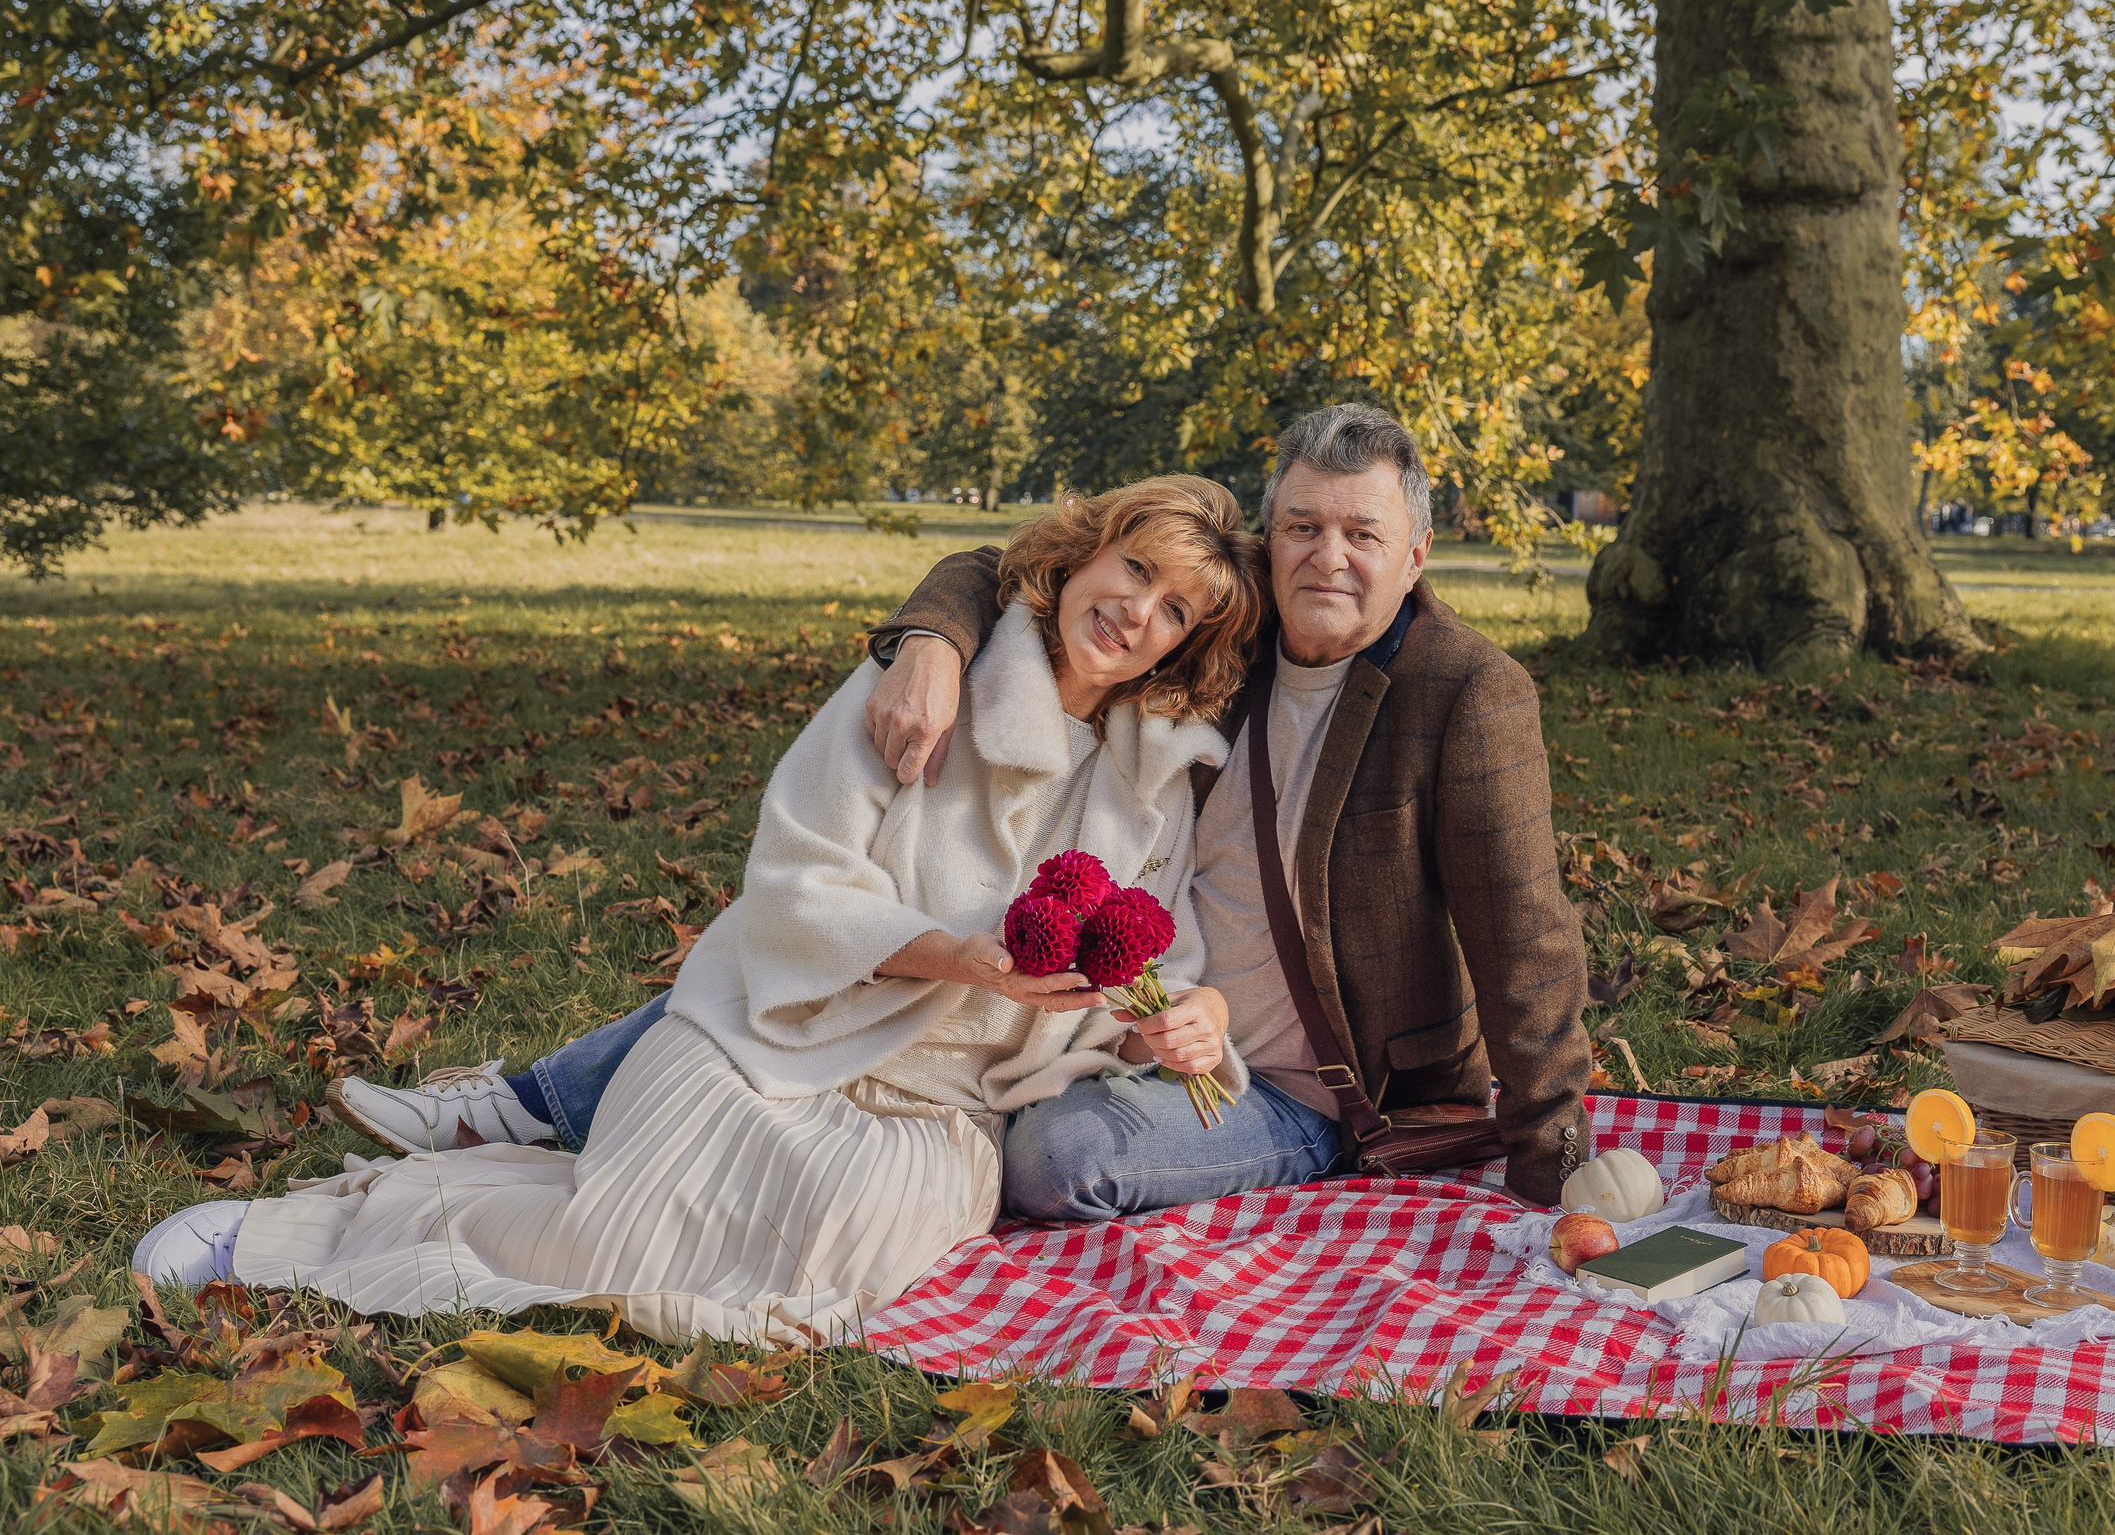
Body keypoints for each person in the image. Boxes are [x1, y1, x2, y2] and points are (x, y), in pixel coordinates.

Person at [305, 404, 1592, 1217]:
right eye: (1303, 528)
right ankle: (533, 1099)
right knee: (856, 946)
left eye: (1364, 534)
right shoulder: (1227, 629)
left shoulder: (1466, 696)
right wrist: (924, 639)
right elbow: (1018, 564)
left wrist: (1553, 1160)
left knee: (1049, 1164)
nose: (1331, 558)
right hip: (1124, 1009)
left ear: (1416, 552)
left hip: (1305, 1083)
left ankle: (633, 1110)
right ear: (1267, 547)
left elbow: (1525, 938)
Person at [131, 477, 1266, 1343]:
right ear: (1081, 555)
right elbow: (794, 881)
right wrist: (955, 959)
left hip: (940, 1108)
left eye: (1175, 611)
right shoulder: (926, 686)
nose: (1137, 613)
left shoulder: (1156, 781)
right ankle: (295, 1234)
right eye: (1133, 570)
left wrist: (1178, 1023)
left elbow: (1146, 980)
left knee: (836, 1265)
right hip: (779, 1036)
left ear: (1186, 644)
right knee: (618, 1229)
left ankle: (519, 1146)